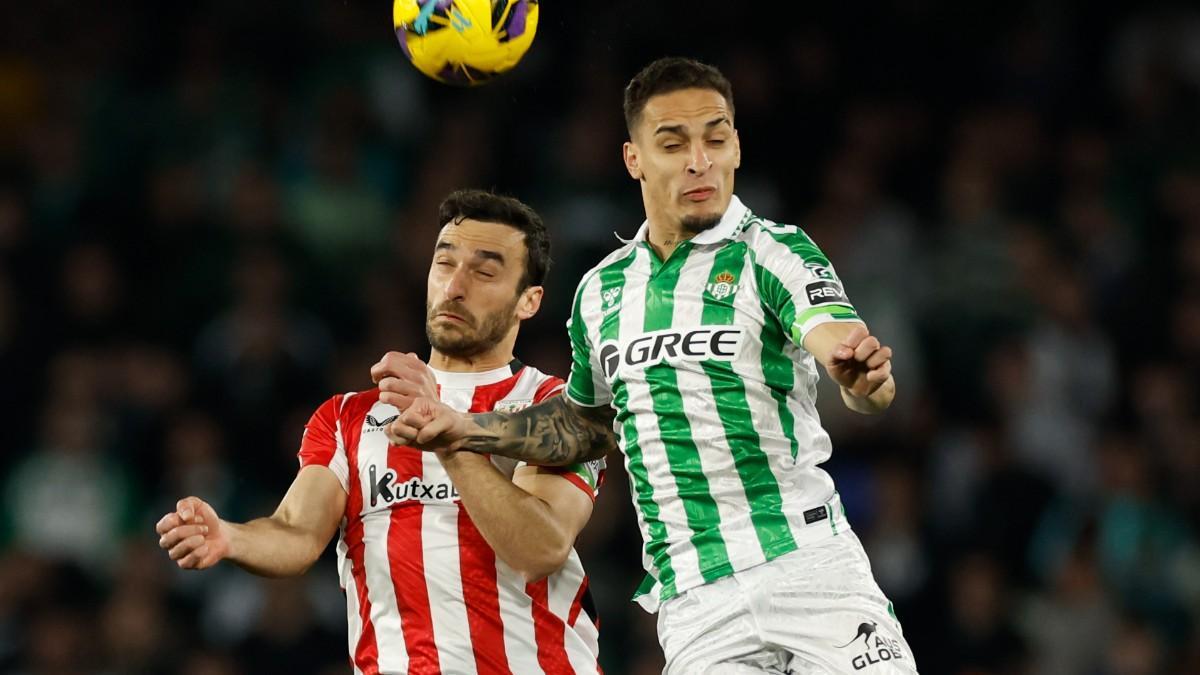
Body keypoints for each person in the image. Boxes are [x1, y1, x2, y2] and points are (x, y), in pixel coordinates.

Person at [382, 58, 919, 673]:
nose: (700, 161)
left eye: (716, 139)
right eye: (673, 143)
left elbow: (843, 349)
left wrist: (860, 379)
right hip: (694, 600)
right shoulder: (601, 291)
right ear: (634, 158)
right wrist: (465, 428)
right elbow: (586, 427)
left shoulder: (773, 251)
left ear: (737, 147)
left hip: (808, 567)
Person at [156, 189, 605, 675]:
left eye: (484, 271)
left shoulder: (557, 409)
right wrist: (231, 538)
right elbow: (296, 533)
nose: (454, 286)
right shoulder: (349, 417)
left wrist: (450, 441)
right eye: (444, 264)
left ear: (529, 301)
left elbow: (538, 550)